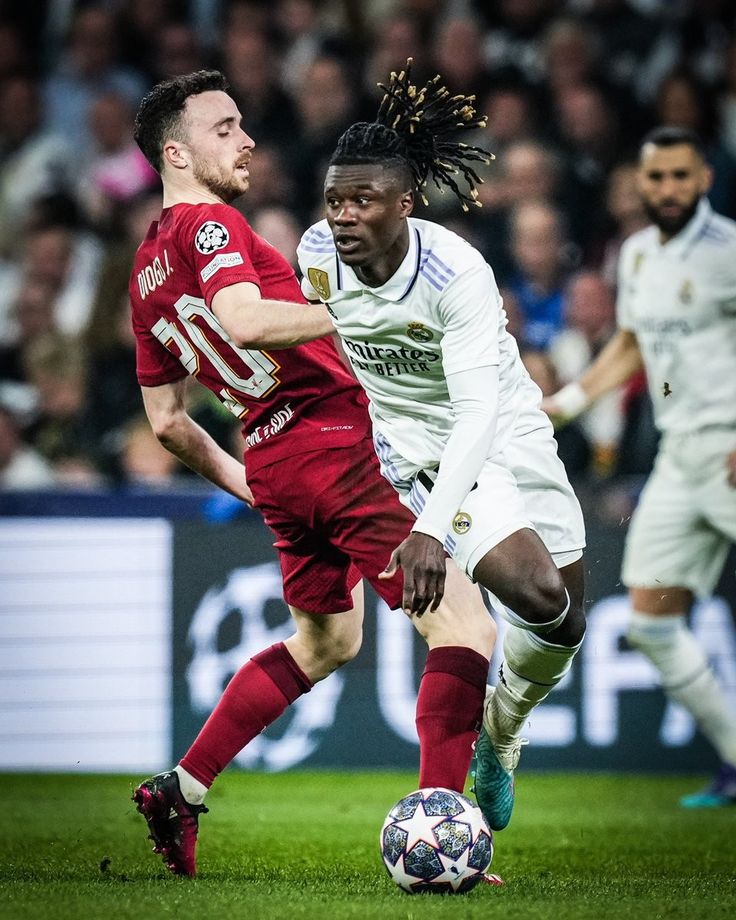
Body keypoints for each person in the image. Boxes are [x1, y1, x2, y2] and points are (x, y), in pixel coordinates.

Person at [128, 70, 496, 877]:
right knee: (466, 626)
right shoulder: (213, 225)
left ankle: (182, 789)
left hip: (277, 458)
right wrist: (362, 309)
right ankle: (445, 829)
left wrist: (250, 483)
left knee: (327, 640)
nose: (247, 139)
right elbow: (244, 320)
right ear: (177, 152)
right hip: (334, 441)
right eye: (225, 128)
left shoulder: (145, 269)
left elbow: (167, 423)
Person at [296, 61, 587, 834]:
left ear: (406, 202)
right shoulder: (316, 257)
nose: (344, 217)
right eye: (334, 201)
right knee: (530, 591)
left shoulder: (454, 271)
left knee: (566, 619)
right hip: (418, 447)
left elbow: (478, 408)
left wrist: (429, 533)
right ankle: (473, 767)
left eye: (362, 200)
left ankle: (503, 732)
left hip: (501, 422)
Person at [544, 126, 736, 809]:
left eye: (681, 176)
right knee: (650, 624)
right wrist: (561, 406)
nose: (668, 190)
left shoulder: (728, 252)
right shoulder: (636, 256)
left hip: (730, 446)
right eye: (656, 178)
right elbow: (630, 344)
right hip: (680, 462)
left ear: (705, 179)